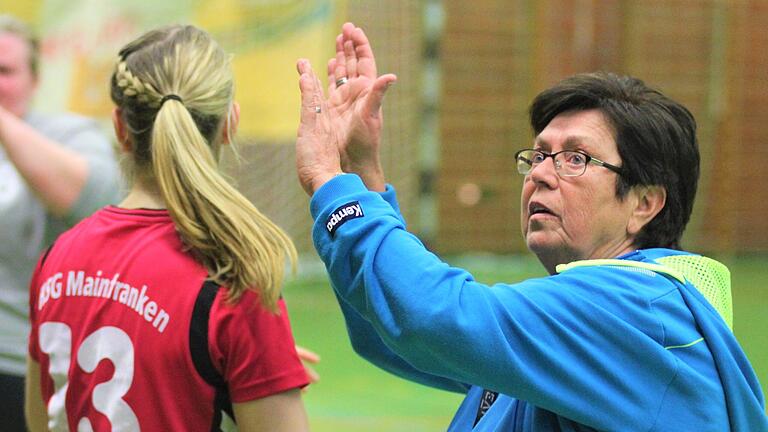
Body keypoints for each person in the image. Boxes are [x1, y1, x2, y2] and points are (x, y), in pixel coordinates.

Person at [295, 22, 768, 431]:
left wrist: (333, 185)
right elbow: (394, 334)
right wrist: (360, 172)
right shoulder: (604, 311)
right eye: (540, 155)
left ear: (644, 203)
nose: (541, 172)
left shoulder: (638, 311)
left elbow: (434, 316)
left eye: (575, 159)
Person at [25, 25, 310, 431]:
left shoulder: (56, 259)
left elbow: (41, 423)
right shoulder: (232, 279)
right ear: (230, 124)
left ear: (120, 129)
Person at [0, 14, 122, 431]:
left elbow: (82, 195)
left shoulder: (67, 134)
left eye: (5, 71)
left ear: (34, 80)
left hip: (25, 365)